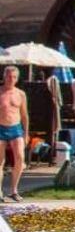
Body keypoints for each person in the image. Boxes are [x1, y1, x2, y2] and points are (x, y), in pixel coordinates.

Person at [0, 65, 26, 202]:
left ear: (17, 78)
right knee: (0, 161)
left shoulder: (20, 94)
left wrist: (26, 133)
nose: (11, 79)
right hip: (1, 128)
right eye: (9, 76)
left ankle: (14, 190)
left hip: (16, 128)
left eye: (14, 77)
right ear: (4, 77)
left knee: (20, 158)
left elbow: (24, 115)